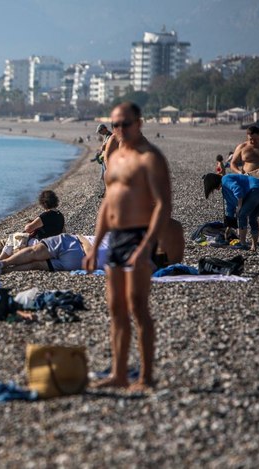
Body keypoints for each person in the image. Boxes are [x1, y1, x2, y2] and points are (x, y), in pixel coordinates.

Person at [82, 102, 172, 392]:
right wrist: (95, 247)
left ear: (139, 123)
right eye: (115, 124)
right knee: (116, 308)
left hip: (138, 235)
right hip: (117, 237)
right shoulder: (116, 155)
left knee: (138, 307)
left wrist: (147, 245)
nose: (119, 129)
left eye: (125, 124)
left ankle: (146, 377)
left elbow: (163, 205)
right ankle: (119, 374)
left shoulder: (150, 158)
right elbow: (108, 202)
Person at [0, 219, 184, 276]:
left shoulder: (124, 240)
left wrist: (83, 241)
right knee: (39, 264)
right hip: (78, 261)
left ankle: (2, 263)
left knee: (35, 253)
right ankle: (4, 268)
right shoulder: (136, 258)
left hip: (76, 245)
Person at [229, 126, 259, 243]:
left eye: (255, 139)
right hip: (247, 181)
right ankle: (244, 239)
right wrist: (239, 172)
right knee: (243, 210)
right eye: (250, 139)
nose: (252, 142)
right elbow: (233, 163)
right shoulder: (242, 147)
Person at [203, 173, 259, 251]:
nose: (216, 189)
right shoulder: (225, 191)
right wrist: (228, 227)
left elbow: (238, 190)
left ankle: (243, 244)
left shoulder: (225, 179)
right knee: (253, 217)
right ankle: (254, 246)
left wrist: (239, 206)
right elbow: (230, 208)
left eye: (213, 188)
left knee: (241, 215)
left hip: (256, 189)